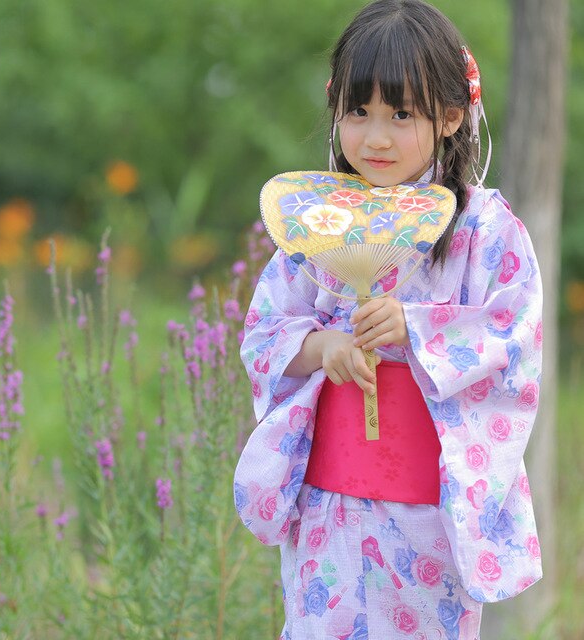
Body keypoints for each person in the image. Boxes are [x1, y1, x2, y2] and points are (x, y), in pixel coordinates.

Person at [233, 1, 543, 638]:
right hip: (332, 504)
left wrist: (421, 328)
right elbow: (265, 331)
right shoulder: (318, 224)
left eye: (401, 114)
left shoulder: (484, 228)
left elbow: (514, 332)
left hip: (428, 509)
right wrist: (323, 348)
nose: (375, 137)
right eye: (358, 111)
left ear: (451, 116)